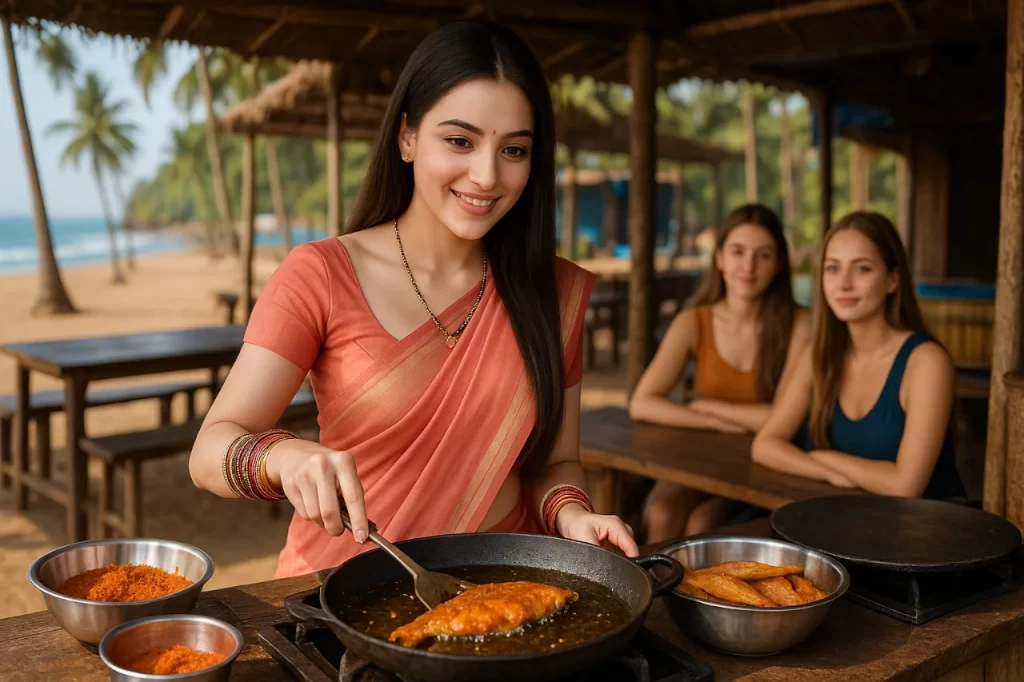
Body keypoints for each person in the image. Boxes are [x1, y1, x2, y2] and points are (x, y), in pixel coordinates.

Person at [188, 20, 638, 578]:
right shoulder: (321, 274)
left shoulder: (555, 292)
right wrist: (281, 456)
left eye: (514, 149)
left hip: (504, 584)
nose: (486, 174)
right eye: (459, 141)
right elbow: (210, 451)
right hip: (343, 585)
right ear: (406, 137)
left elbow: (556, 462)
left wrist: (569, 514)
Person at [751, 212, 965, 499]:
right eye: (832, 268)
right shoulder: (819, 354)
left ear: (892, 280)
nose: (844, 284)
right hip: (849, 519)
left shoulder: (926, 362)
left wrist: (824, 457)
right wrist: (825, 471)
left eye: (862, 269)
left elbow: (904, 486)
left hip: (926, 531)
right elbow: (765, 446)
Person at [629, 204, 810, 542]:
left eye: (763, 255)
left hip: (764, 463)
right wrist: (714, 423)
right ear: (720, 258)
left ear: (779, 264)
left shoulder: (800, 324)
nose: (748, 266)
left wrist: (707, 406)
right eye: (737, 252)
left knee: (702, 523)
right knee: (662, 512)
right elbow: (642, 402)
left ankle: (691, 597)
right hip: (700, 455)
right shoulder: (694, 321)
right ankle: (649, 595)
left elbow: (786, 419)